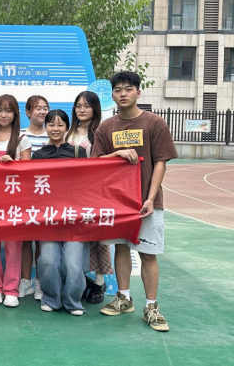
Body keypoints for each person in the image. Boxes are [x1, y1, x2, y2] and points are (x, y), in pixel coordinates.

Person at [92, 71, 177, 332]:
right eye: (118, 90)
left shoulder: (154, 123)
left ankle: (151, 306)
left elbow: (160, 162)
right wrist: (116, 153)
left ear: (138, 92)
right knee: (120, 248)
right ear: (112, 95)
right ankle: (123, 298)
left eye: (128, 89)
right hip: (118, 202)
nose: (123, 94)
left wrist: (150, 198)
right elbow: (96, 161)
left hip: (146, 203)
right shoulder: (106, 127)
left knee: (148, 254)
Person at [32, 109, 88, 316]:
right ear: (45, 126)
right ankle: (51, 298)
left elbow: (88, 182)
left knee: (73, 264)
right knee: (48, 261)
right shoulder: (38, 155)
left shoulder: (78, 152)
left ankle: (73, 302)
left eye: (60, 125)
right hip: (48, 218)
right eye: (51, 124)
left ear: (67, 127)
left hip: (73, 217)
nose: (55, 129)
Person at [0, 94, 31, 307]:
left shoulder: (21, 139)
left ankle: (11, 289)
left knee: (13, 245)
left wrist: (14, 164)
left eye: (8, 111)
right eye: (0, 110)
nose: (3, 115)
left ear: (15, 114)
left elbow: (28, 172)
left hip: (14, 200)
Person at [66, 91, 112, 304]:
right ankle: (82, 278)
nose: (82, 110)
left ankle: (100, 283)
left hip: (94, 192)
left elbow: (104, 161)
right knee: (76, 237)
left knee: (98, 237)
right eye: (78, 106)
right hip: (70, 194)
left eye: (86, 106)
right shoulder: (67, 132)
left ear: (95, 109)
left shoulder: (101, 132)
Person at [18, 95, 50, 301]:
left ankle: (39, 281)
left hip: (48, 196)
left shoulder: (54, 134)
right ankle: (24, 280)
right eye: (38, 108)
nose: (42, 111)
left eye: (45, 108)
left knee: (42, 242)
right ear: (28, 112)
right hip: (25, 195)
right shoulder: (20, 136)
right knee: (25, 240)